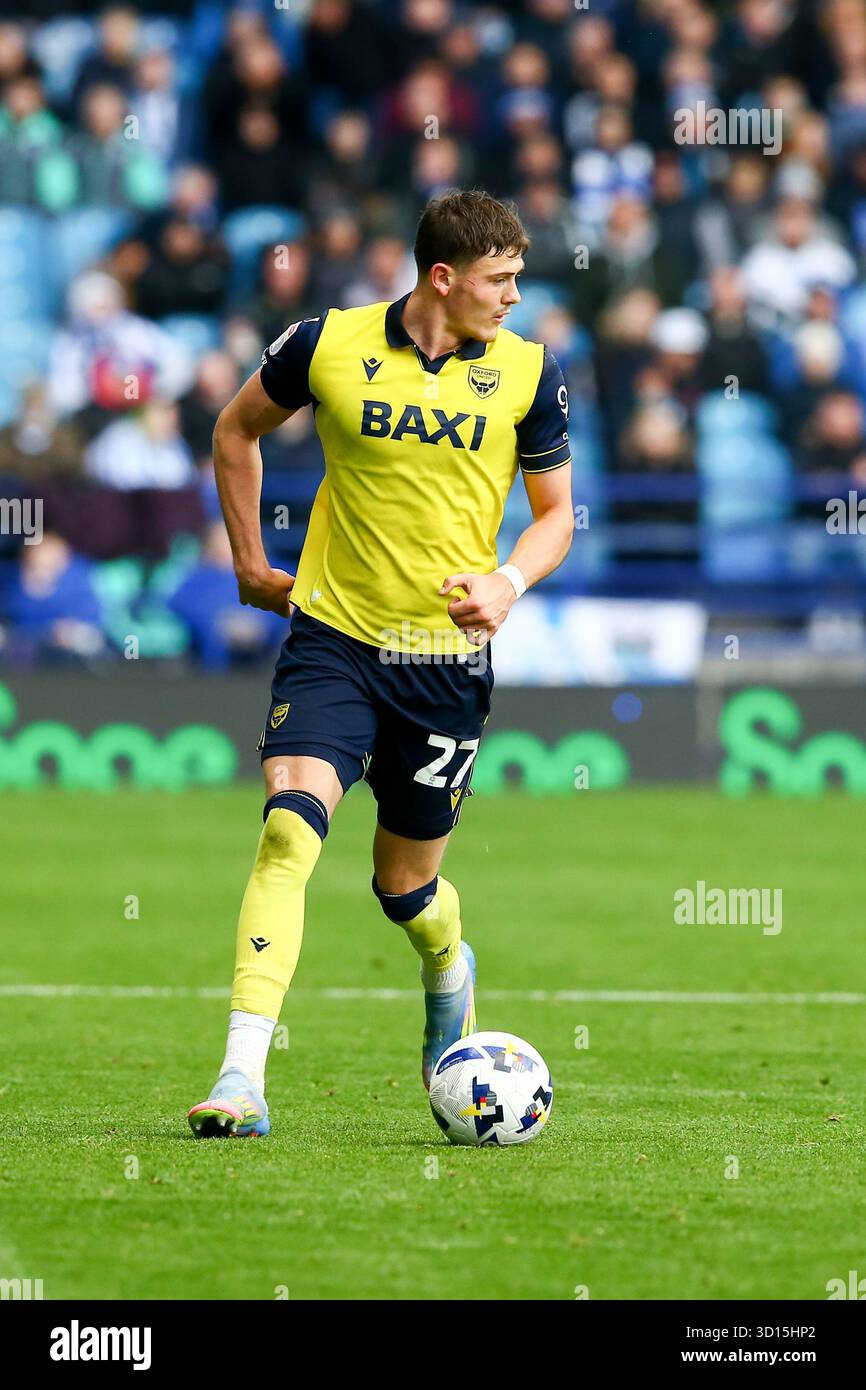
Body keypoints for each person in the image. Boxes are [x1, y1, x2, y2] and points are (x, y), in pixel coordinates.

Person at [187, 189, 574, 1138]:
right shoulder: (325, 343)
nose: (515, 297)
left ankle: (447, 963)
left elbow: (558, 516)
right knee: (288, 834)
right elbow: (234, 432)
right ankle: (241, 1077)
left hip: (445, 664)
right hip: (334, 642)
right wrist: (247, 562)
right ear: (443, 279)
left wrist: (507, 584)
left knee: (404, 888)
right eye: (501, 280)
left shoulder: (528, 373)